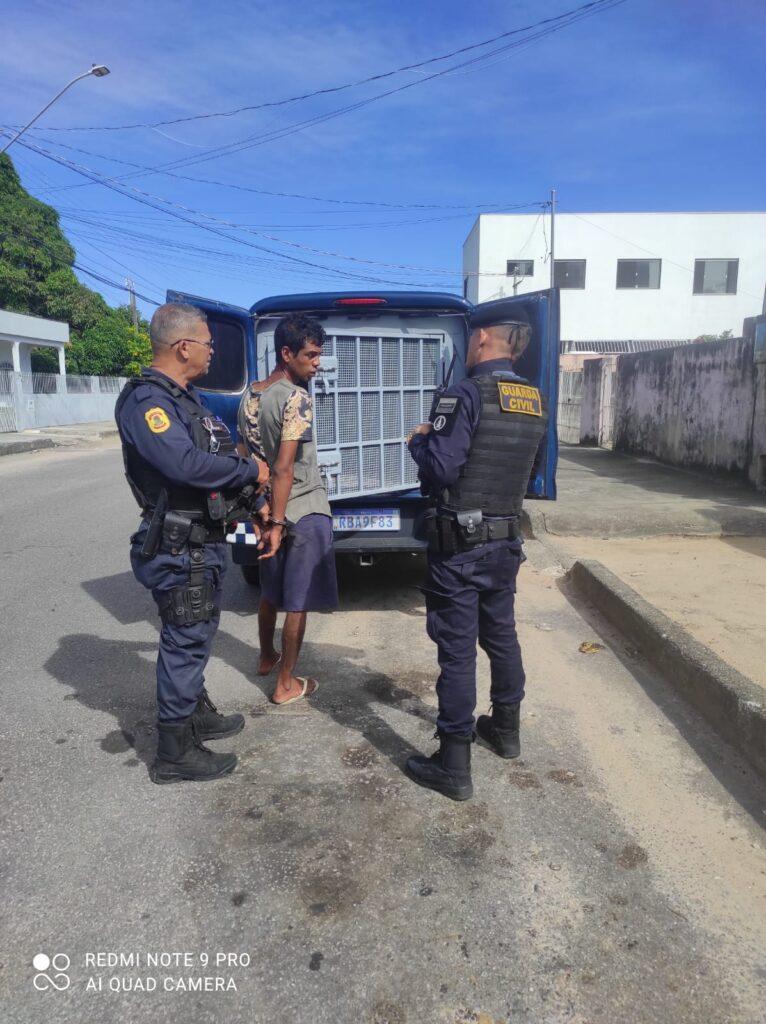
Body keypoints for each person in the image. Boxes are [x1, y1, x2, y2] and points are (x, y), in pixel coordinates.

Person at [115, 302, 269, 784]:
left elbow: (217, 456)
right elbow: (184, 466)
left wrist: (253, 499)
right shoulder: (149, 403)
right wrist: (251, 469)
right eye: (207, 343)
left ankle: (195, 713)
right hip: (178, 544)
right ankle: (174, 752)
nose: (212, 351)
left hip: (203, 540)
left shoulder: (187, 400)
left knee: (197, 634)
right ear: (184, 347)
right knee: (184, 639)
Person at [404, 308, 548, 801]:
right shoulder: (535, 400)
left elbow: (442, 470)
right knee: (502, 637)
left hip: (461, 547)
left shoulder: (463, 395)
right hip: (505, 542)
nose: (467, 346)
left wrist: (419, 442)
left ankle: (453, 765)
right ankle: (506, 731)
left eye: (470, 338)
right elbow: (533, 471)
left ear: (483, 338)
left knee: (458, 650)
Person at [237, 313, 338, 706]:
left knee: (269, 591)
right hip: (301, 509)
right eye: (311, 355)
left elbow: (245, 458)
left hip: (265, 509)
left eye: (318, 355)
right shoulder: (297, 398)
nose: (317, 363)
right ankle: (285, 684)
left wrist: (259, 511)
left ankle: (267, 656)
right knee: (297, 599)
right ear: (286, 353)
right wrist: (279, 523)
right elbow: (283, 467)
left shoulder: (251, 395)